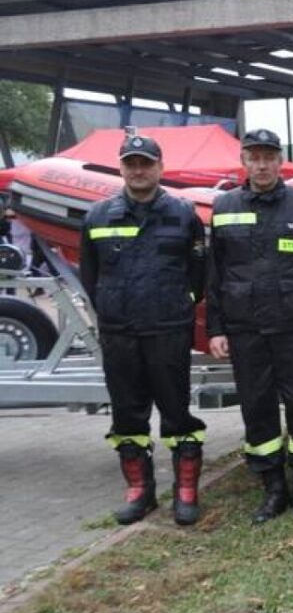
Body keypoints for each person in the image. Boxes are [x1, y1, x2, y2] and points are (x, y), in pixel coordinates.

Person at [206, 128, 293, 523]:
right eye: (254, 157)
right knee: (257, 408)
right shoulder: (225, 207)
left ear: (280, 161)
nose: (262, 164)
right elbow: (214, 273)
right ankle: (272, 489)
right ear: (244, 162)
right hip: (246, 329)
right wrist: (215, 328)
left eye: (269, 157)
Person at [79, 135, 208, 526]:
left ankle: (185, 492)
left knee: (177, 412)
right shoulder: (98, 216)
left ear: (160, 167)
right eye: (131, 163)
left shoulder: (184, 215)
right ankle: (140, 492)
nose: (138, 170)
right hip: (120, 332)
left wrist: (177, 303)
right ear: (121, 168)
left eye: (146, 163)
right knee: (127, 415)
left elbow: (199, 274)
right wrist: (114, 306)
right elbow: (89, 276)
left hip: (168, 329)